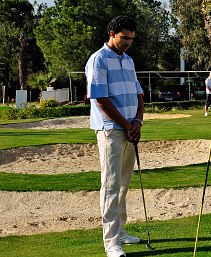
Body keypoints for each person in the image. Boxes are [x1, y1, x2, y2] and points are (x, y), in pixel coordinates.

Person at [85, 16, 144, 257]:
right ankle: (111, 242)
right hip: (111, 130)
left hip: (130, 129)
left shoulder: (128, 60)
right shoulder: (98, 60)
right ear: (112, 33)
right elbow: (101, 100)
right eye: (124, 37)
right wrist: (126, 125)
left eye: (131, 38)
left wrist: (138, 121)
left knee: (123, 184)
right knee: (110, 184)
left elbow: (139, 94)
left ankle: (120, 231)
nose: (128, 42)